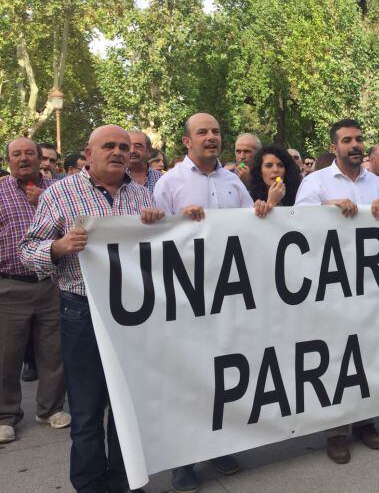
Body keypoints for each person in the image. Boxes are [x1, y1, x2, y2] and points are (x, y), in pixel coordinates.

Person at [19, 125, 165, 492]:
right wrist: (58, 247)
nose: (118, 152)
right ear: (88, 151)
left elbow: (159, 249)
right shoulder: (61, 194)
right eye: (109, 146)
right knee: (86, 410)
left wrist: (156, 224)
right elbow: (28, 249)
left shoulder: (142, 194)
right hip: (81, 312)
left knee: (127, 407)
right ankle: (89, 485)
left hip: (133, 315)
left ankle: (124, 479)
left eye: (124, 147)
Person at [153, 113, 252, 492]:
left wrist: (262, 210)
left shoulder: (232, 181)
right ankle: (183, 460)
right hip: (188, 296)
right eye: (202, 132)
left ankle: (219, 447)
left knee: (225, 373)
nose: (211, 137)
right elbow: (153, 233)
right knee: (189, 377)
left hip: (231, 295)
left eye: (215, 131)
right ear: (186, 142)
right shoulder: (169, 183)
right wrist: (176, 221)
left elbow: (250, 227)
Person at [293, 119, 379, 464]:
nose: (355, 145)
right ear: (334, 147)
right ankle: (335, 430)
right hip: (331, 286)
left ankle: (366, 421)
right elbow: (298, 224)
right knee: (336, 357)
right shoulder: (315, 182)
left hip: (370, 285)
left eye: (359, 139)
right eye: (347, 140)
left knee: (367, 353)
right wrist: (328, 210)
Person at [0, 138, 69, 445]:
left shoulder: (57, 191)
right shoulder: (1, 191)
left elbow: (75, 230)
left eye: (30, 153)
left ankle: (50, 409)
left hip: (52, 283)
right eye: (17, 154)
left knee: (53, 353)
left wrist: (43, 200)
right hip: (11, 285)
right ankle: (5, 415)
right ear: (8, 160)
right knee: (7, 355)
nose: (24, 158)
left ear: (41, 159)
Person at [249, 146, 302, 213]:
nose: (275, 170)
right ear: (259, 171)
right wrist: (271, 202)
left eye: (280, 165)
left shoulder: (298, 196)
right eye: (269, 166)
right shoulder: (250, 198)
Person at [127, 130, 163, 195]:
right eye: (128, 146)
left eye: (138, 146)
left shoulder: (162, 180)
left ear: (148, 151)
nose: (132, 151)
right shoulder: (114, 179)